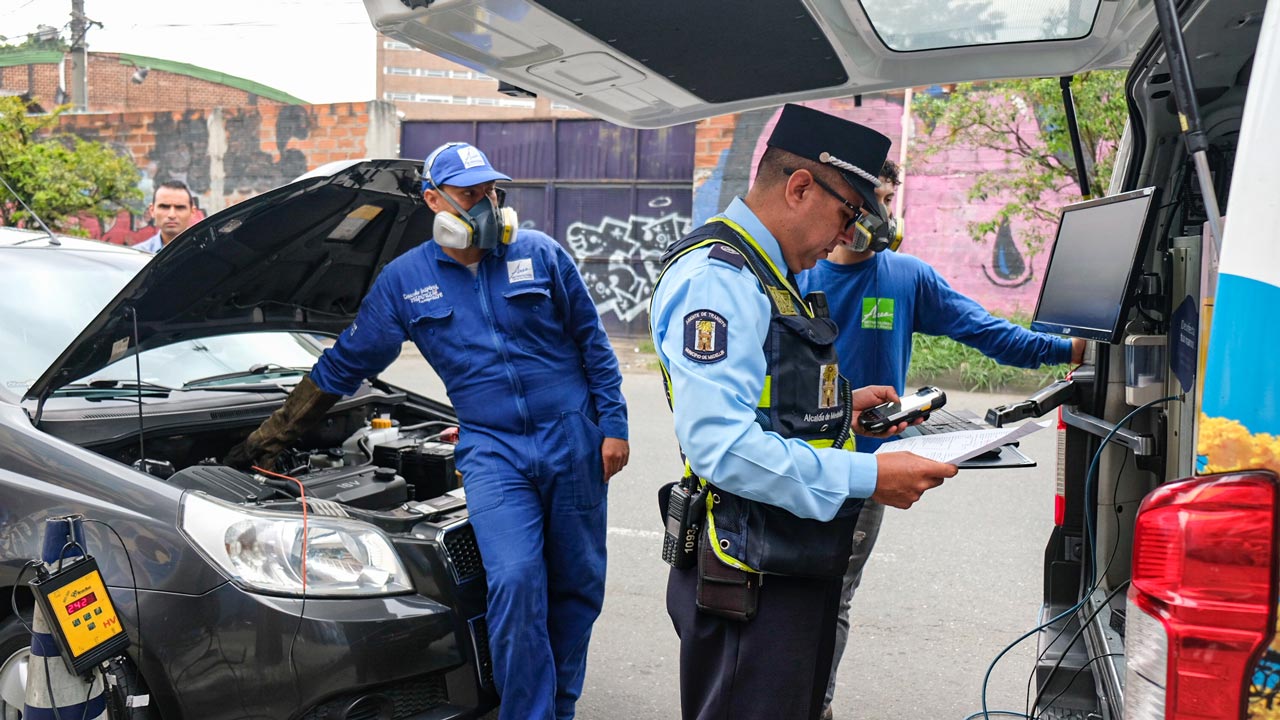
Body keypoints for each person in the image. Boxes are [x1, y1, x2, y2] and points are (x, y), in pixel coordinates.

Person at [225, 142, 630, 720]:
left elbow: (593, 342)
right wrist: (271, 436)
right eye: (470, 194)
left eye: (491, 191)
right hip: (493, 450)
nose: (487, 203)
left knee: (577, 585)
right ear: (434, 201)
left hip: (572, 437)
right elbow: (347, 362)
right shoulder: (405, 281)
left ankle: (559, 706)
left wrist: (612, 426)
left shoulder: (540, 253)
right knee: (515, 581)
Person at [649, 103, 958, 720]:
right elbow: (723, 448)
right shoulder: (720, 279)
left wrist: (841, 411)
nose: (848, 235)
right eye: (849, 213)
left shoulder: (769, 271)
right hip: (748, 574)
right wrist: (871, 476)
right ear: (799, 187)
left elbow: (767, 398)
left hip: (785, 557)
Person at [800, 158, 1086, 719]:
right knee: (788, 592)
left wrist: (1067, 350)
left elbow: (985, 332)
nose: (882, 215)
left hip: (868, 474)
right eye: (874, 200)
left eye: (889, 200)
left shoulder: (906, 277)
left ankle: (814, 706)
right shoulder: (798, 274)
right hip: (796, 461)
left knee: (834, 596)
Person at [132, 180, 195, 252]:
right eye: (164, 207)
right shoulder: (137, 255)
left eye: (180, 207)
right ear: (152, 210)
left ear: (192, 212)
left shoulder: (205, 254)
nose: (171, 215)